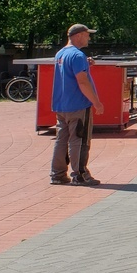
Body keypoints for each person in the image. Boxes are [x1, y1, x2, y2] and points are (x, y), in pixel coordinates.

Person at [50, 24, 104, 185]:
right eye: (87, 34)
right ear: (79, 35)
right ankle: (80, 175)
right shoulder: (78, 55)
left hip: (61, 105)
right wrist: (97, 103)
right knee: (79, 140)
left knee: (61, 139)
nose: (89, 38)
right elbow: (82, 82)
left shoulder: (61, 53)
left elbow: (70, 71)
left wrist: (85, 64)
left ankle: (57, 174)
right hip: (78, 105)